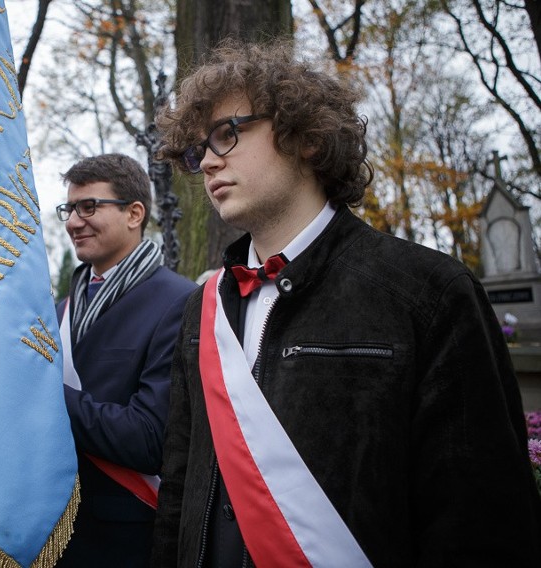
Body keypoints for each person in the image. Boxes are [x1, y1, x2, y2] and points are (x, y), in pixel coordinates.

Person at [150, 41, 541, 567]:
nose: (209, 162)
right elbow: (178, 486)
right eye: (199, 150)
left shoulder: (427, 292)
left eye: (228, 133)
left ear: (306, 138)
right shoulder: (203, 309)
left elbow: (483, 523)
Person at [53, 153, 196, 567]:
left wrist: (44, 392)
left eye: (89, 206)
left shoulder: (179, 302)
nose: (73, 221)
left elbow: (151, 439)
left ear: (135, 213)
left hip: (125, 537)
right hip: (50, 527)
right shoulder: (60, 309)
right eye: (69, 208)